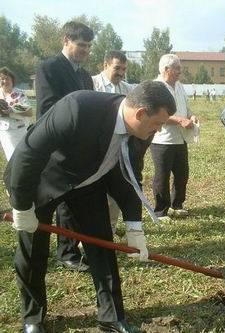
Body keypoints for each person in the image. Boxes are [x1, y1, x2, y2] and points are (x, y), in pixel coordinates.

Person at [4, 81, 176, 333]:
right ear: (140, 113)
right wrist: (21, 206)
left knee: (100, 245)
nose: (159, 130)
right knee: (33, 250)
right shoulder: (77, 108)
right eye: (157, 123)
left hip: (88, 182)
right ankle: (32, 318)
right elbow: (29, 153)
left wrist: (134, 227)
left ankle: (111, 317)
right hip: (42, 180)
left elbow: (130, 176)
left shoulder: (142, 132)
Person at [35, 21, 94, 272]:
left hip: (80, 147)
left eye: (89, 47)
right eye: (81, 45)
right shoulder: (49, 68)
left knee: (75, 200)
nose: (85, 51)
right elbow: (48, 109)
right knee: (61, 201)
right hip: (58, 147)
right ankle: (65, 253)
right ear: (66, 40)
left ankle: (72, 249)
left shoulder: (83, 75)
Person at [92, 50, 141, 234]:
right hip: (94, 149)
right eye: (117, 68)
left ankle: (110, 229)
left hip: (118, 149)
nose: (121, 72)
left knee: (114, 194)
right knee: (92, 193)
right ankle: (88, 232)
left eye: (124, 69)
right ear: (105, 65)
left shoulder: (128, 89)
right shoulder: (92, 84)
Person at [151, 54, 199, 221]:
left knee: (182, 174)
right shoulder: (156, 87)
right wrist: (179, 120)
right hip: (162, 140)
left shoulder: (179, 86)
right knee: (161, 177)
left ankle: (177, 205)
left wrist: (191, 117)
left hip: (180, 139)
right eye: (177, 68)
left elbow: (186, 107)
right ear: (166, 69)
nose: (180, 71)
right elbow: (155, 114)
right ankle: (160, 211)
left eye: (180, 68)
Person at [0, 67, 33, 161]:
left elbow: (29, 112)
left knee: (19, 158)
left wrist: (12, 109)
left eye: (7, 79)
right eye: (2, 79)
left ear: (12, 80)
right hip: (3, 131)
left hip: (19, 130)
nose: (5, 81)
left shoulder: (19, 93)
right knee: (10, 158)